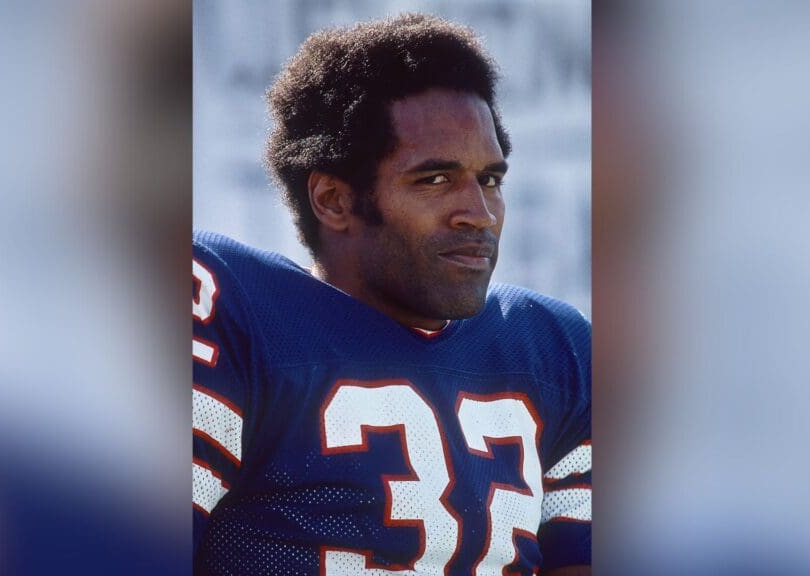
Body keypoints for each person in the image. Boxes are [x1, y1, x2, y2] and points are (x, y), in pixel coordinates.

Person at [192, 13, 590, 576]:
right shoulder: (236, 312)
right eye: (434, 180)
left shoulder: (552, 351)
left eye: (490, 180)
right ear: (333, 199)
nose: (478, 214)